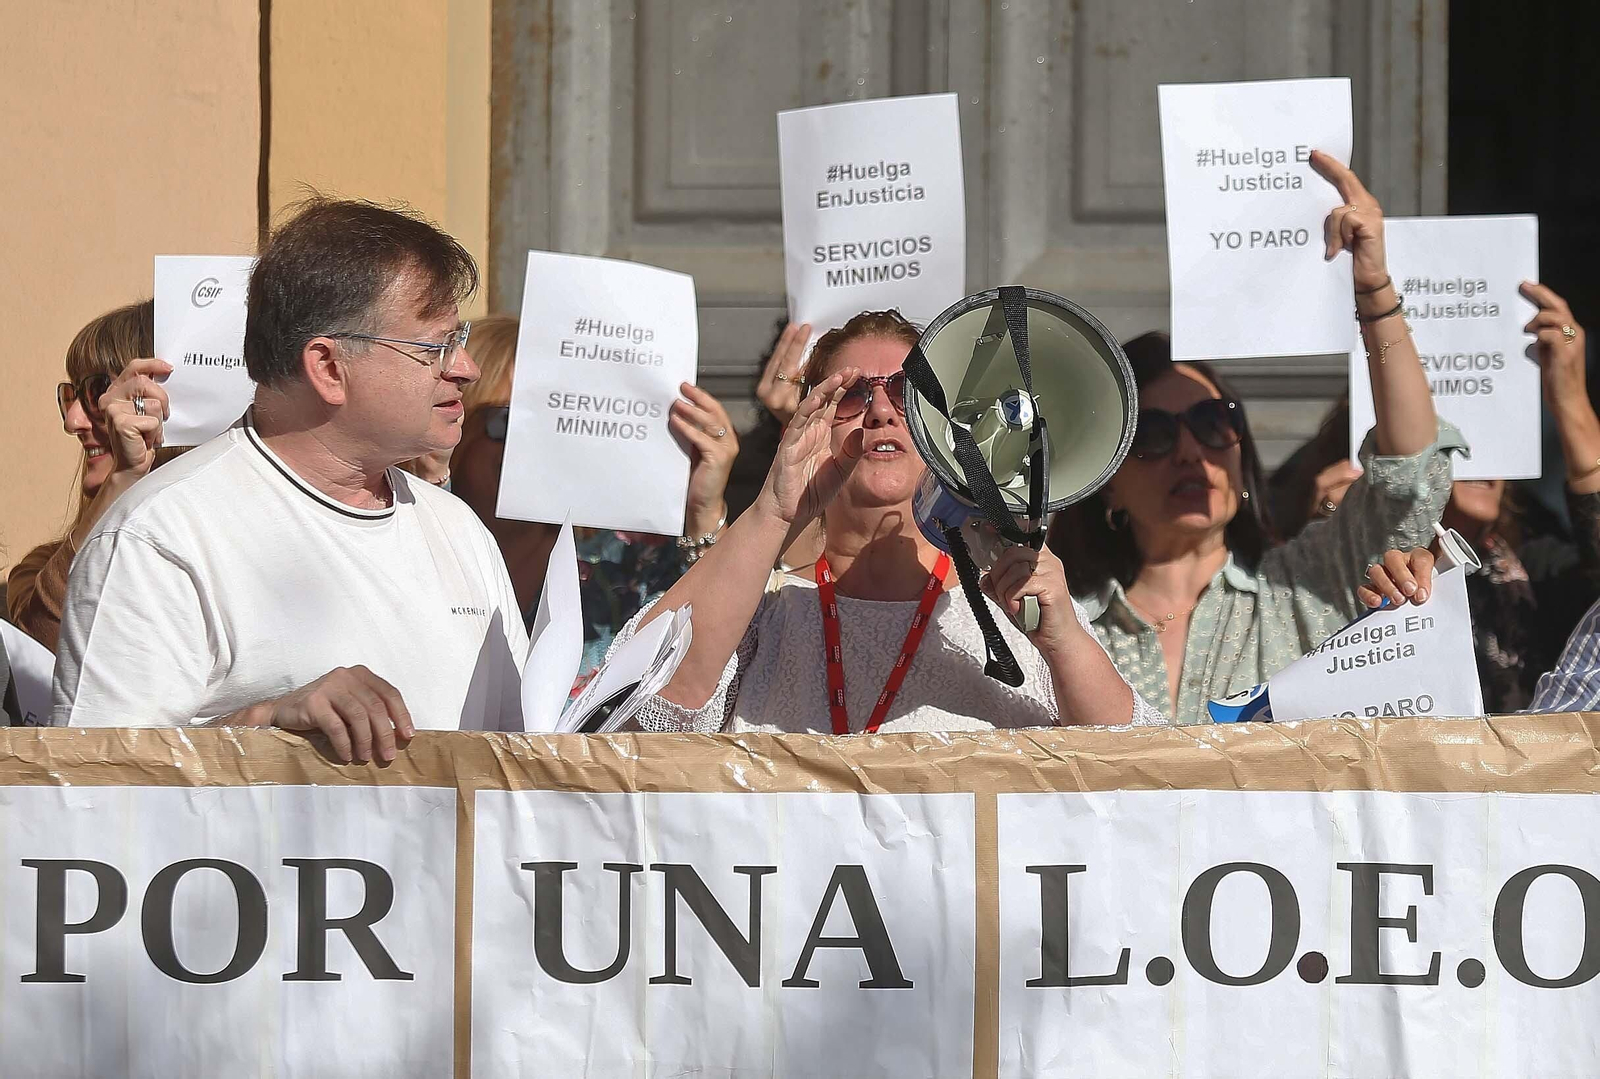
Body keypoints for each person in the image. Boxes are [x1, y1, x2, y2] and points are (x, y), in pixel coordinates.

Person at [51, 198, 526, 757]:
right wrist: (267, 723)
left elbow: (518, 764)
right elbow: (91, 787)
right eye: (435, 346)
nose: (465, 367)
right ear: (328, 368)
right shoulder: (160, 537)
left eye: (461, 338)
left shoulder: (458, 529)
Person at [1048, 153, 1463, 725]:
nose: (1191, 453)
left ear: (1241, 453)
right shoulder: (1057, 623)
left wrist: (1372, 285)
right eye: (1154, 434)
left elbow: (1408, 476)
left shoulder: (1309, 584)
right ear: (1107, 480)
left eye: (1215, 423)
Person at [620, 309, 1164, 734]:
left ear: (949, 431)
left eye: (908, 393)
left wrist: (1063, 638)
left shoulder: (1012, 608)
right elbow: (636, 711)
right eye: (852, 395)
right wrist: (776, 509)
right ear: (811, 422)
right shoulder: (762, 614)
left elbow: (1138, 772)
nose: (881, 410)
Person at [1271, 284, 1600, 712]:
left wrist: (1570, 398)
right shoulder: (1340, 569)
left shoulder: (1533, 562)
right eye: (1448, 435)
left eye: (1488, 421)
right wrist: (1334, 536)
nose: (1471, 448)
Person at [446, 315, 742, 675]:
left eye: (556, 420)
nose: (534, 444)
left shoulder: (626, 561)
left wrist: (704, 513)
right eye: (511, 422)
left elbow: (725, 647)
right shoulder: (411, 542)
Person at [8, 301, 172, 651]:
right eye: (71, 396)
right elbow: (42, 653)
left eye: (96, 392)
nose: (72, 422)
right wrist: (122, 480)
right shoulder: (40, 570)